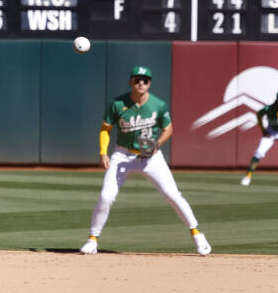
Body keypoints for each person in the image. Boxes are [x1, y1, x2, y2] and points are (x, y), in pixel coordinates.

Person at [80, 65, 212, 257]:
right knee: (106, 196)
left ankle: (197, 235)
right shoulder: (118, 104)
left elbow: (168, 128)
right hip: (123, 155)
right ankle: (92, 240)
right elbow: (105, 129)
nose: (141, 82)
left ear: (149, 84)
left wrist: (157, 144)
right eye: (137, 79)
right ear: (130, 82)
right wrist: (103, 152)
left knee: (173, 195)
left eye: (145, 80)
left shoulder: (158, 105)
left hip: (150, 157)